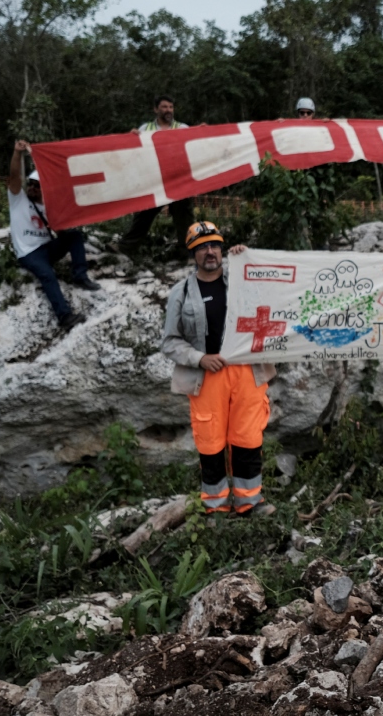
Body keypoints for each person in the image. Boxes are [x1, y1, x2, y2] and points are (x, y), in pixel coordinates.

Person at [161, 222, 276, 516]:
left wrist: (249, 260)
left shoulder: (240, 279)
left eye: (214, 245)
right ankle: (216, 508)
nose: (209, 252)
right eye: (201, 247)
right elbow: (170, 342)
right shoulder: (182, 292)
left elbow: (271, 295)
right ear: (193, 254)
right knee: (210, 443)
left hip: (247, 371)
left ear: (222, 250)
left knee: (248, 438)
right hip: (207, 376)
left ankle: (250, 502)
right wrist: (200, 358)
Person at [7, 140, 101, 329]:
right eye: (31, 184)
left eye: (37, 185)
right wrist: (18, 154)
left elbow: (60, 231)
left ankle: (80, 275)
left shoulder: (50, 207)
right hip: (29, 252)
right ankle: (64, 317)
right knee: (48, 275)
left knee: (74, 236)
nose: (32, 188)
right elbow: (14, 176)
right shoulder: (18, 200)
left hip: (46, 248)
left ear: (45, 188)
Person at [119, 95, 194, 252]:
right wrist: (130, 139)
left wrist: (205, 132)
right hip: (154, 180)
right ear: (155, 109)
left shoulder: (182, 128)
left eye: (171, 107)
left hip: (178, 179)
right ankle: (127, 247)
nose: (168, 110)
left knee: (184, 216)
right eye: (165, 107)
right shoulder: (145, 129)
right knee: (144, 214)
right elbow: (135, 152)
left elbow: (196, 145)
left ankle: (187, 250)